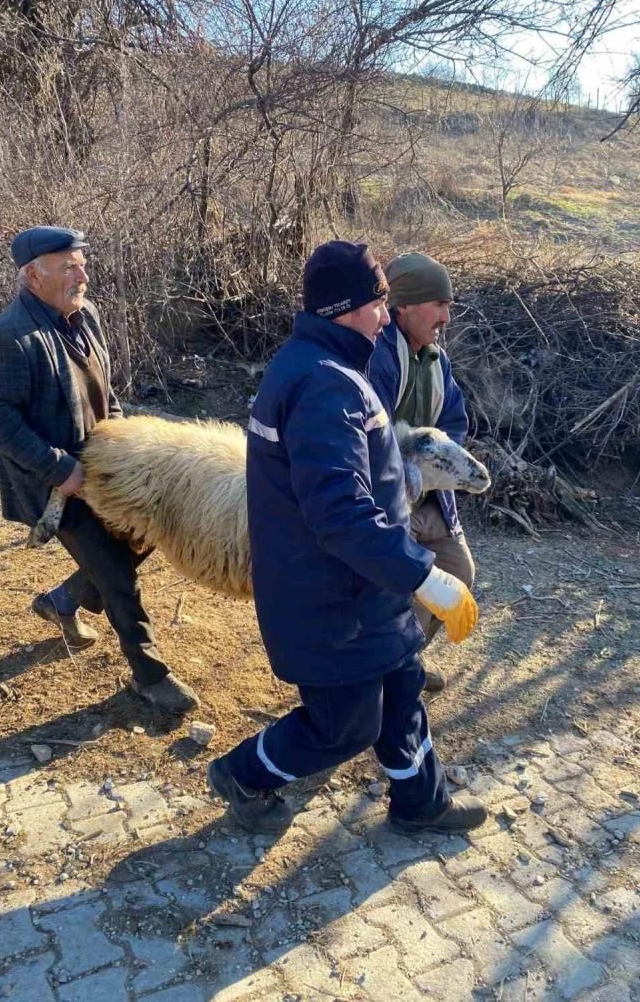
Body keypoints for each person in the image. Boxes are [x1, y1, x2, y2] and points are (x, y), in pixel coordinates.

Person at [207, 240, 486, 836]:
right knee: (345, 727)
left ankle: (420, 802)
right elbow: (339, 512)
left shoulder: (329, 365)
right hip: (329, 599)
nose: (386, 317)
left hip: (366, 588)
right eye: (377, 304)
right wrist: (424, 575)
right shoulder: (324, 384)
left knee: (404, 684)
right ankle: (243, 775)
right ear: (342, 308)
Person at [0, 225, 198, 715]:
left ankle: (61, 601)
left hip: (105, 468)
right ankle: (150, 676)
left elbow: (106, 392)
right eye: (69, 265)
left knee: (146, 535)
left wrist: (126, 447)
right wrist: (60, 470)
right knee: (117, 575)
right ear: (34, 275)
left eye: (82, 262)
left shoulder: (85, 315)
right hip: (55, 484)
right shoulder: (9, 337)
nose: (83, 274)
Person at [369, 252, 474, 694]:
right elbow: (368, 436)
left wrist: (428, 465)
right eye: (439, 305)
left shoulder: (437, 361)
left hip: (431, 501)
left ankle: (402, 661)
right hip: (384, 503)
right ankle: (376, 675)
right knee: (392, 588)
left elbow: (455, 424)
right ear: (404, 307)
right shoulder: (376, 356)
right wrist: (404, 466)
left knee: (458, 572)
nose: (446, 317)